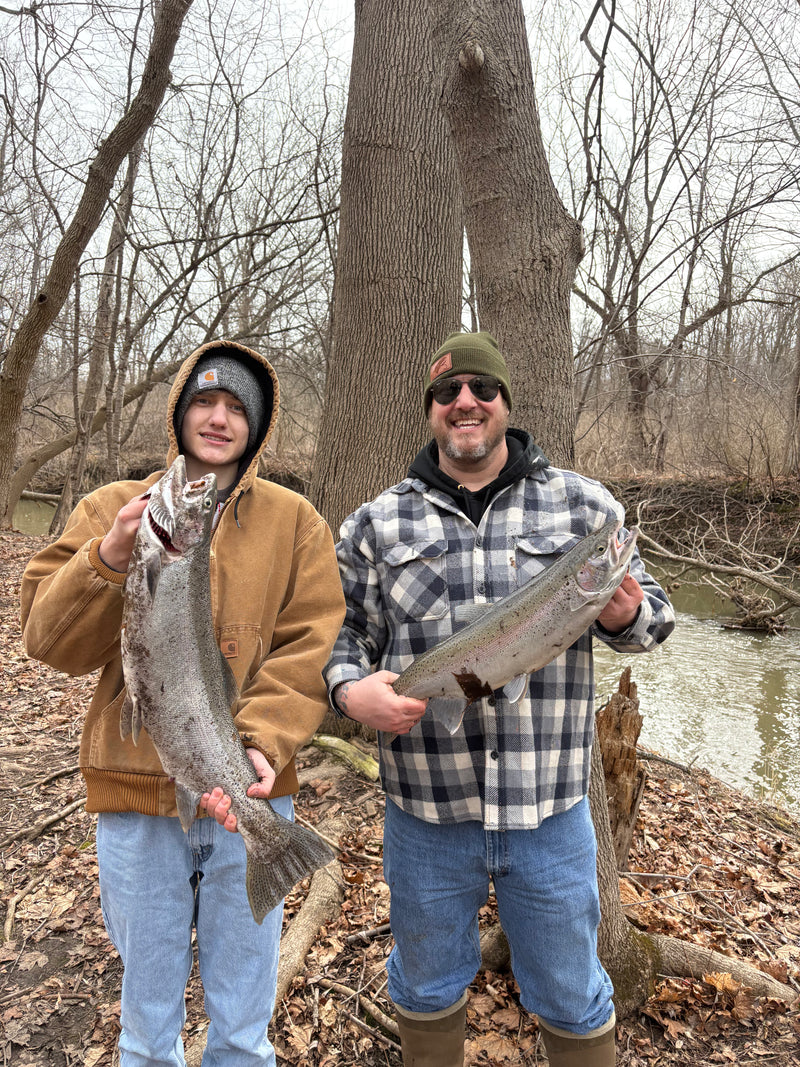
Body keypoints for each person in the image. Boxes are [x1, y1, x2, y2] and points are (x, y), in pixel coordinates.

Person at [323, 331, 675, 1067]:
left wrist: (625, 613)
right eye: (447, 392)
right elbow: (342, 633)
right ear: (431, 410)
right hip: (425, 811)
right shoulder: (376, 523)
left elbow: (656, 623)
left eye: (482, 389)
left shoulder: (586, 509)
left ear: (506, 403)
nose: (466, 402)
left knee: (574, 995)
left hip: (548, 811)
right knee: (425, 989)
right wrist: (351, 692)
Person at [20, 340, 346, 1067]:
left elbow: (311, 647)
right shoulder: (111, 506)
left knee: (242, 1035)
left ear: (257, 426)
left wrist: (262, 742)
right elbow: (48, 640)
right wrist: (108, 554)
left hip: (251, 794)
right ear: (179, 411)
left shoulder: (296, 521)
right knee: (145, 1035)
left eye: (237, 408)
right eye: (205, 400)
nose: (219, 418)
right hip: (136, 800)